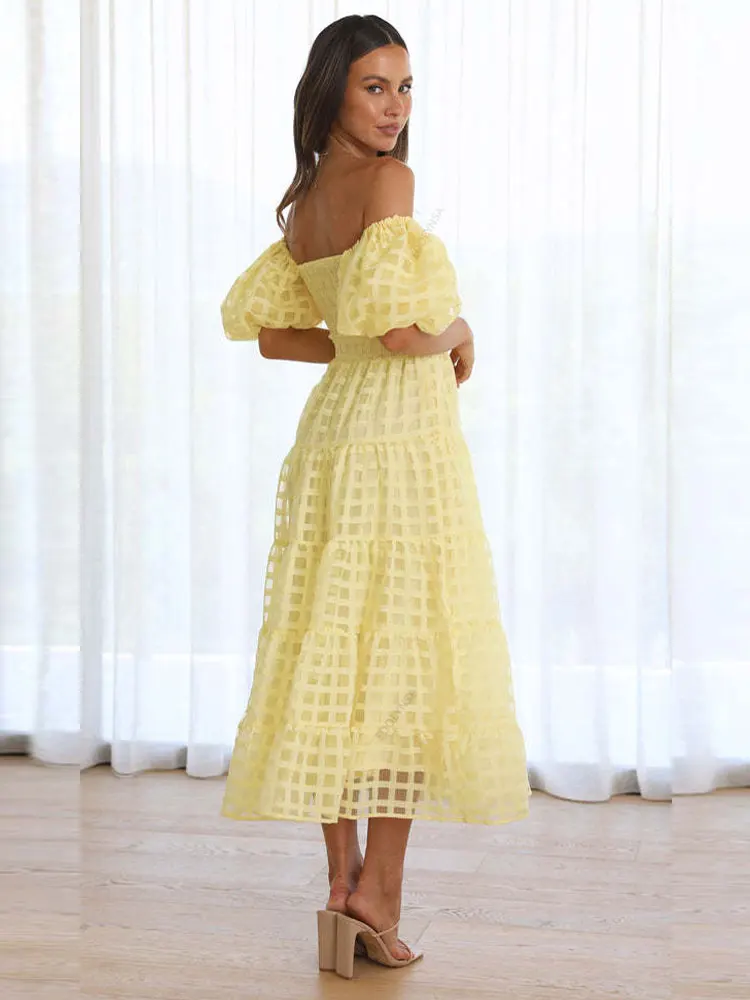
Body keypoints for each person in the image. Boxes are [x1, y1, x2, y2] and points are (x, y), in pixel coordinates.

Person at [219, 14, 531, 980]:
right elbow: (401, 334)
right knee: (405, 660)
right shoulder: (391, 184)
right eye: (374, 87)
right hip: (400, 442)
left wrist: (369, 343)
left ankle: (339, 884)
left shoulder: (307, 200)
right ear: (333, 93)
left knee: (337, 656)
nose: (395, 108)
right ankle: (378, 898)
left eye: (405, 87)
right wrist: (460, 329)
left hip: (333, 440)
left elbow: (281, 337)